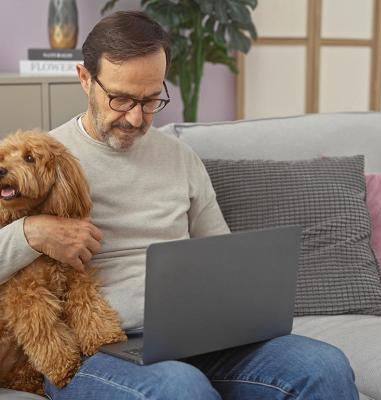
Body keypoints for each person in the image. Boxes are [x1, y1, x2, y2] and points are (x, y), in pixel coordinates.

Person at [0, 11, 359, 400]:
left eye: (151, 99)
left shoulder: (181, 158)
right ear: (85, 79)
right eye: (120, 99)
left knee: (323, 366)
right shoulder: (36, 161)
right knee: (179, 388)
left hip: (194, 337)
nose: (136, 118)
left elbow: (222, 253)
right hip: (94, 347)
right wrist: (29, 233)